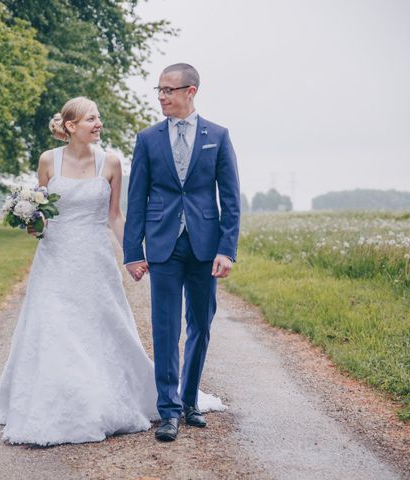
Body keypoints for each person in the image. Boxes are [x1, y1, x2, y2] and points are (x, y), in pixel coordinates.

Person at [0, 96, 224, 445]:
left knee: (102, 325)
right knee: (53, 327)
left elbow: (115, 215)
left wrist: (134, 255)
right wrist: (33, 223)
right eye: (91, 119)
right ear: (70, 126)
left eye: (98, 118)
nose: (98, 124)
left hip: (94, 258)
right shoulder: (48, 160)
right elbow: (42, 211)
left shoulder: (110, 162)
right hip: (55, 257)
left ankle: (104, 396)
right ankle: (55, 402)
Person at [124, 64, 241, 442]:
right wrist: (132, 251)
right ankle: (169, 410)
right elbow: (136, 198)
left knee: (201, 326)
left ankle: (190, 401)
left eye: (169, 90)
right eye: (158, 89)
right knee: (165, 326)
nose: (162, 96)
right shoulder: (147, 138)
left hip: (206, 246)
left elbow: (230, 199)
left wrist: (227, 249)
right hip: (163, 244)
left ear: (191, 91)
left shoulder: (218, 136)